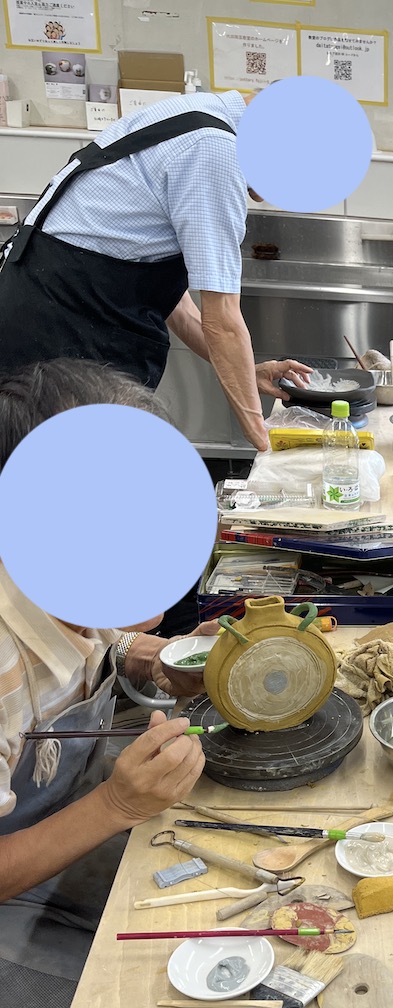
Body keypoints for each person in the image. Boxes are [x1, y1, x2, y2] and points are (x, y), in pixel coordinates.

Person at [0, 359, 217, 1006]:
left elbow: (104, 637)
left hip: (63, 829)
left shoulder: (61, 585)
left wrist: (155, 656)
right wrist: (116, 806)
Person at [0, 89, 310, 452]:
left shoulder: (191, 115)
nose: (262, 195)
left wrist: (249, 372)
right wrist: (264, 440)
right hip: (59, 336)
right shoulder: (215, 148)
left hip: (42, 304)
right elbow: (223, 320)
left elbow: (174, 302)